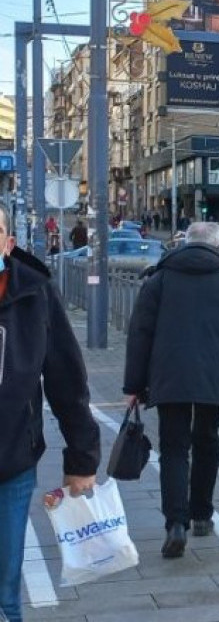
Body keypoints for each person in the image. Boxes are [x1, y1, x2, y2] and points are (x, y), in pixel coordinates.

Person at [122, 222, 219, 559]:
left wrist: (132, 385)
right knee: (207, 439)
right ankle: (201, 514)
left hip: (169, 377)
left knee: (173, 448)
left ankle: (176, 524)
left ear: (184, 243)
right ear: (218, 247)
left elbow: (139, 334)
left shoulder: (158, 280)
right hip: (215, 378)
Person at [0, 205, 100, 622]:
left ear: (8, 242)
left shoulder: (34, 292)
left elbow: (65, 377)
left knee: (5, 582)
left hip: (12, 460)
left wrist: (82, 458)